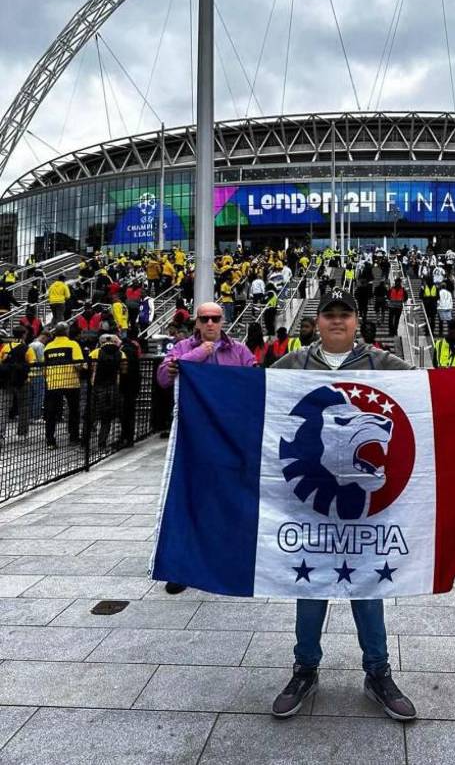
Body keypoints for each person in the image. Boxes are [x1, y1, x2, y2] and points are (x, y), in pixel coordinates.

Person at [270, 287, 416, 721]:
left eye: (345, 314)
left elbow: (430, 391)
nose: (337, 320)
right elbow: (253, 395)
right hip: (308, 506)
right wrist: (193, 373)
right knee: (309, 587)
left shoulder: (380, 362)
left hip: (366, 510)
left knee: (367, 587)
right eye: (329, 314)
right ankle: (304, 669)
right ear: (317, 321)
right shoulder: (294, 363)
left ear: (356, 321)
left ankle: (378, 672)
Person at [157, 301, 256, 595]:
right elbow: (163, 378)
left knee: (230, 498)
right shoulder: (182, 348)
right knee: (189, 500)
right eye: (205, 319)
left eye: (215, 318)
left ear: (223, 321)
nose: (210, 323)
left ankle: (227, 558)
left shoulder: (240, 351)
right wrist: (199, 353)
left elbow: (254, 383)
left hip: (230, 438)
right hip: (194, 439)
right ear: (197, 322)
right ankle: (181, 567)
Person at [44, 322, 85, 449]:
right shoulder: (73, 344)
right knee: (73, 411)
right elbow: (78, 364)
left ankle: (50, 440)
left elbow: (44, 367)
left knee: (51, 413)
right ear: (67, 332)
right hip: (71, 383)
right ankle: (73, 437)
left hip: (53, 383)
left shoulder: (48, 347)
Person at [88, 334, 127, 450]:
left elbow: (87, 366)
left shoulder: (95, 352)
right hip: (113, 386)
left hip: (97, 386)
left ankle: (85, 443)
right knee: (107, 417)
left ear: (101, 342)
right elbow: (124, 370)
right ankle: (102, 443)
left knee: (91, 414)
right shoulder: (121, 353)